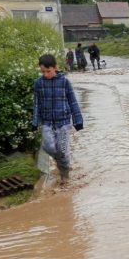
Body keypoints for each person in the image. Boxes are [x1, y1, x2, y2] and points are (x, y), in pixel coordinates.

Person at [32, 54, 84, 182]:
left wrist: (78, 120)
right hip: (46, 122)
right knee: (48, 146)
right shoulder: (39, 83)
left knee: (63, 150)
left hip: (63, 122)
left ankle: (64, 176)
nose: (45, 74)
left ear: (55, 68)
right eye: (42, 71)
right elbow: (36, 103)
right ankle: (61, 161)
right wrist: (35, 121)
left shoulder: (64, 82)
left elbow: (72, 101)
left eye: (48, 71)